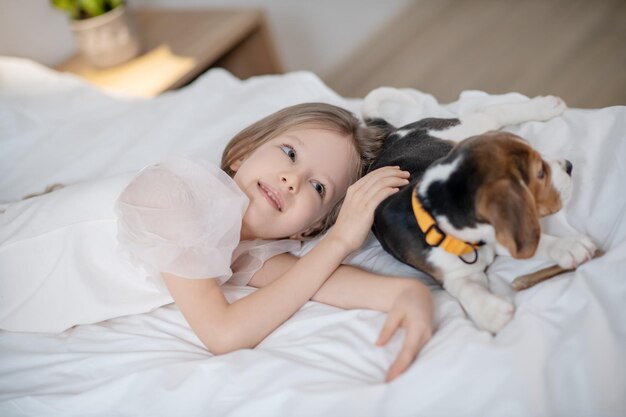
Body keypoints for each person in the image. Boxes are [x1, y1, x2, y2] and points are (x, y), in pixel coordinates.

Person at [0, 103, 432, 382]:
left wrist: (408, 291)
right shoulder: (177, 195)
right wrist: (339, 239)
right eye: (290, 152)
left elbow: (315, 280)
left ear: (306, 230)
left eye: (319, 188)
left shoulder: (250, 246)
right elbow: (223, 334)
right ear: (242, 154)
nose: (292, 179)